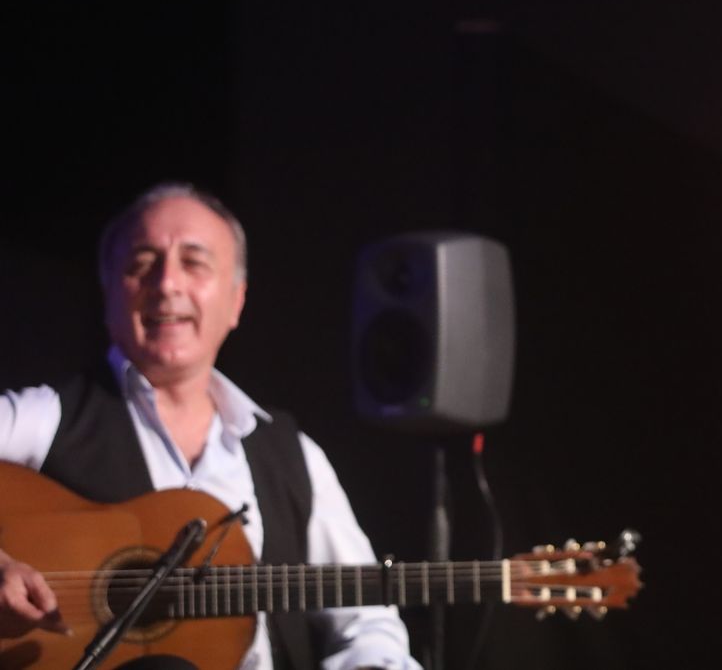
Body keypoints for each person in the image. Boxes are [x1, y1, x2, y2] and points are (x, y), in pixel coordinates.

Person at [0, 182, 421, 670]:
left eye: (194, 263)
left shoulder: (291, 456)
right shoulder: (50, 417)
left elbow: (367, 619)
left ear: (236, 300)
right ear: (108, 291)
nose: (168, 284)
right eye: (142, 263)